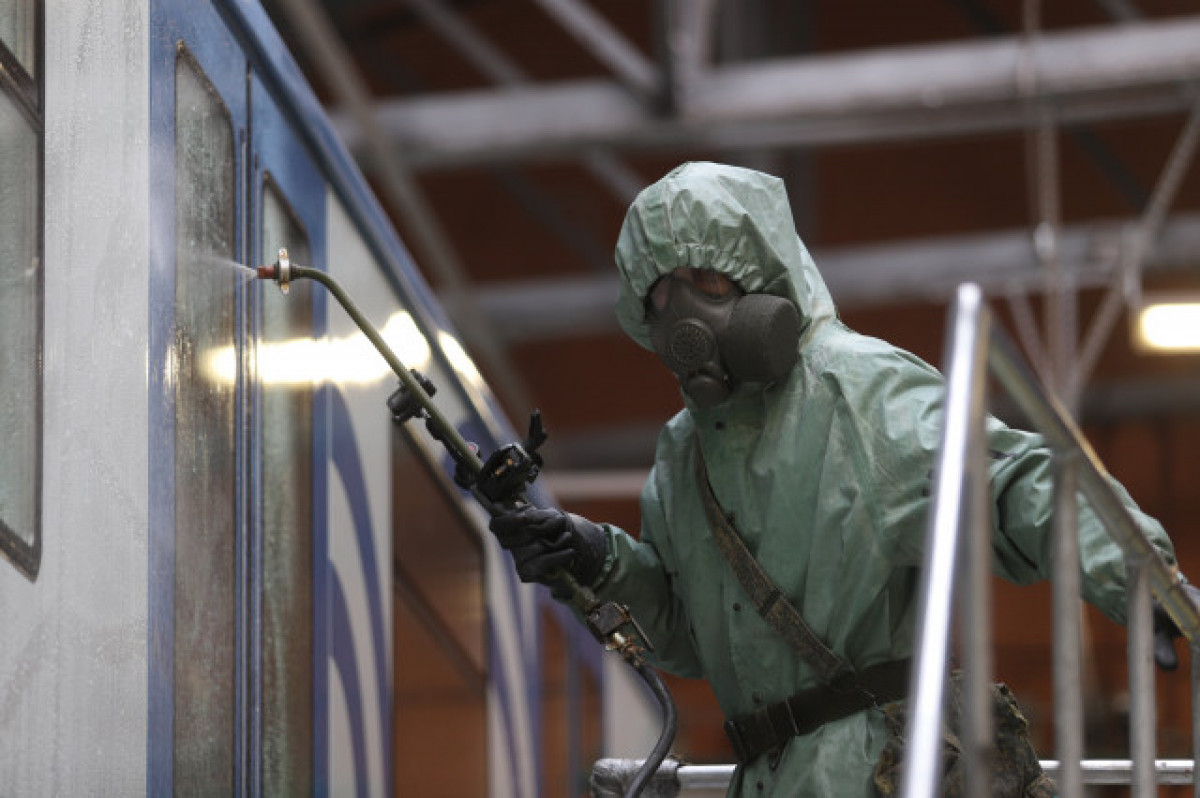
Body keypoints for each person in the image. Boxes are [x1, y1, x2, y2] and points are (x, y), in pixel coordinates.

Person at [487, 161, 1188, 797]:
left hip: (880, 768)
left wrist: (1132, 571)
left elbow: (1013, 485)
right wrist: (597, 560)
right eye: (663, 295)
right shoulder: (683, 454)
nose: (685, 320)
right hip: (768, 778)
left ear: (765, 275)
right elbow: (688, 641)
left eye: (708, 281)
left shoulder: (859, 392)